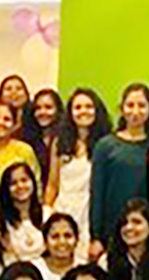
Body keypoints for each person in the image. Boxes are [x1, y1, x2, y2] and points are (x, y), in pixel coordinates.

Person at [89, 83, 149, 257]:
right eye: (130, 105)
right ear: (122, 108)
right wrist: (96, 236)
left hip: (146, 230)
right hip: (112, 229)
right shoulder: (105, 145)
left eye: (142, 105)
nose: (135, 111)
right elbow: (97, 192)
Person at [44, 88, 111, 261]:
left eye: (89, 107)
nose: (83, 111)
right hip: (64, 207)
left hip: (91, 212)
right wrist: (47, 213)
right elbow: (52, 184)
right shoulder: (60, 142)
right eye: (78, 107)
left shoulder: (106, 144)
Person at [31, 212, 84, 280]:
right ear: (45, 241)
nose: (62, 242)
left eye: (67, 236)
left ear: (77, 240)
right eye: (55, 236)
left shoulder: (85, 269)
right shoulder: (34, 269)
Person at [0, 161, 45, 263]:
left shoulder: (48, 214)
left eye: (24, 180)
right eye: (13, 183)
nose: (20, 186)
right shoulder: (2, 221)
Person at [22, 88, 62, 183]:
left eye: (48, 107)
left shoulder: (65, 139)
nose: (42, 112)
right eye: (38, 108)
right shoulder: (28, 139)